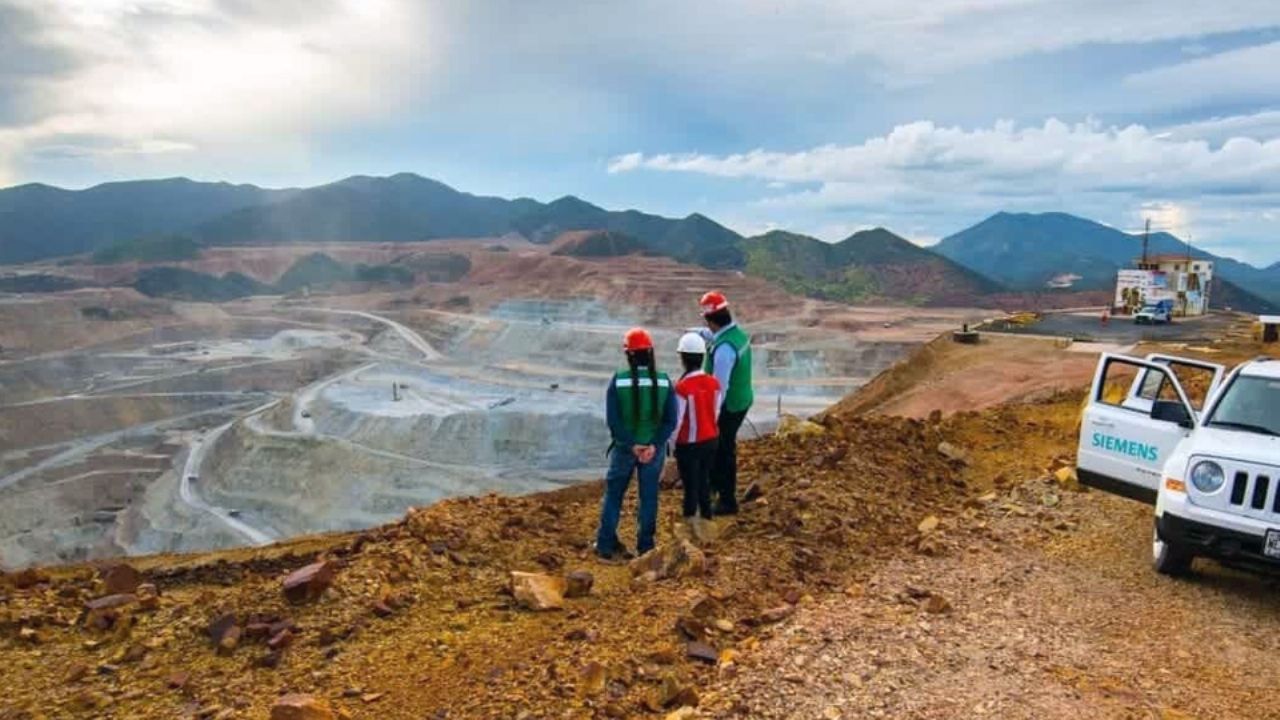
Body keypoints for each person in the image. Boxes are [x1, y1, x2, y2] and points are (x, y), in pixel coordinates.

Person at [595, 327, 677, 560]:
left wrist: (631, 444)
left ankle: (605, 545)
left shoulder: (618, 380)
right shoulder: (663, 381)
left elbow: (614, 420)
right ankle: (646, 547)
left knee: (614, 495)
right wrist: (652, 445)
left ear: (628, 354)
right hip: (654, 450)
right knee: (649, 496)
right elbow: (670, 420)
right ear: (650, 352)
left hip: (624, 449)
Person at [699, 291, 753, 515]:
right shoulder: (736, 335)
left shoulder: (723, 350)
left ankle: (727, 500)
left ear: (710, 320)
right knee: (721, 448)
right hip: (742, 400)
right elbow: (716, 336)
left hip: (728, 406)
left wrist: (710, 417)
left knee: (722, 450)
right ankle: (713, 486)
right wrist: (698, 334)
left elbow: (718, 388)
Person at [672, 331, 720, 541]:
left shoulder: (682, 388)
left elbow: (677, 421)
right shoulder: (714, 383)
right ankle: (708, 520)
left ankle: (690, 527)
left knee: (690, 485)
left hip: (688, 445)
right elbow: (716, 411)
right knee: (704, 481)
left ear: (682, 358)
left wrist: (671, 443)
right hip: (711, 440)